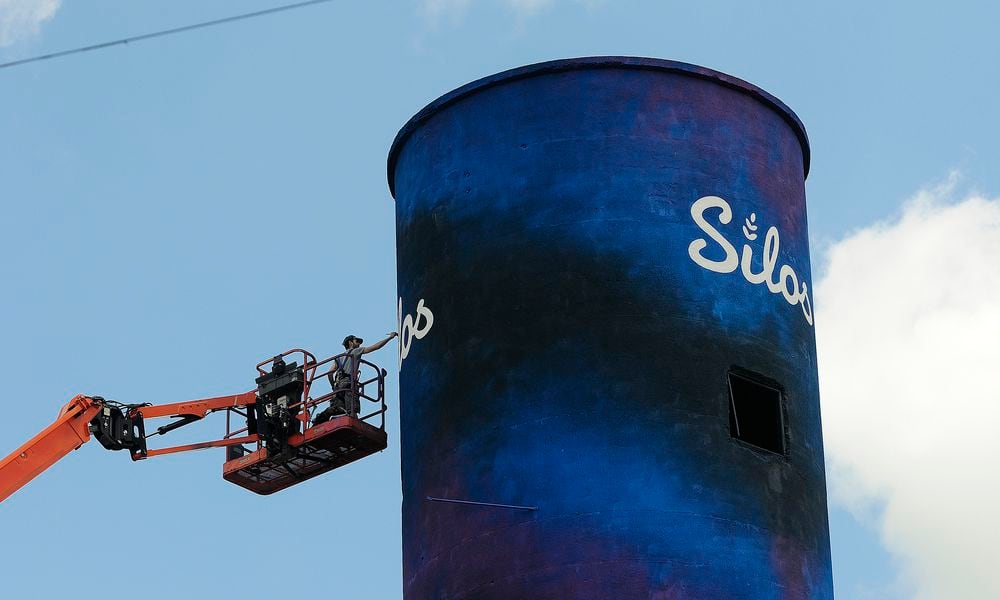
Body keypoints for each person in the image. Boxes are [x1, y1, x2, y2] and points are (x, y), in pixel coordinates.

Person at [314, 332, 398, 424]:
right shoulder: (356, 351)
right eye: (357, 341)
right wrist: (390, 338)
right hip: (349, 384)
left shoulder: (339, 357)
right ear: (350, 343)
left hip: (338, 387)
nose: (359, 344)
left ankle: (318, 420)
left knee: (337, 410)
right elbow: (375, 347)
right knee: (352, 412)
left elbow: (329, 373)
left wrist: (333, 386)